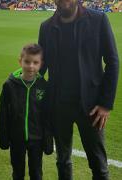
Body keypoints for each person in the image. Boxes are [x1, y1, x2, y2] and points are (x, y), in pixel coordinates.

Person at [38, 0, 119, 179]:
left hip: (91, 107)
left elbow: (112, 62)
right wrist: (20, 81)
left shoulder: (98, 20)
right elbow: (40, 67)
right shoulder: (46, 27)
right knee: (63, 161)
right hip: (59, 106)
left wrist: (105, 104)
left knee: (99, 165)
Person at [0, 43, 53, 180]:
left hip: (37, 140)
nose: (31, 66)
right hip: (16, 138)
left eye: (35, 62)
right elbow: (3, 114)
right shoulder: (9, 85)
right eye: (27, 62)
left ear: (41, 64)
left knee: (36, 173)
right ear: (20, 61)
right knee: (17, 173)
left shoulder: (43, 86)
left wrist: (47, 140)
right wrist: (3, 138)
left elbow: (47, 116)